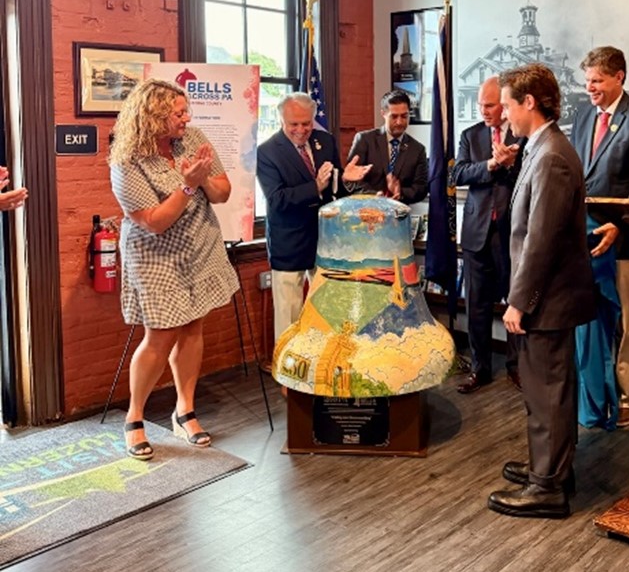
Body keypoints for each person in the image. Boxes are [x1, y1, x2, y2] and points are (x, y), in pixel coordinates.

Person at [109, 78, 239, 460]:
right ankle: (134, 417)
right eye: (178, 113)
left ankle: (184, 410)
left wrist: (203, 181)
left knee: (193, 325)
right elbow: (153, 222)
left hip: (199, 247)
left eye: (186, 111)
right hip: (154, 255)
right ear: (153, 117)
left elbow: (223, 192)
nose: (187, 118)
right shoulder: (126, 161)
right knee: (161, 334)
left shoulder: (193, 137)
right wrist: (186, 187)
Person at [488, 63, 595, 519]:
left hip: (547, 300)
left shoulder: (550, 154)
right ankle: (551, 468)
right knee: (547, 391)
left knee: (547, 392)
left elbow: (541, 239)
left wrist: (518, 301)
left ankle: (547, 487)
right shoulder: (541, 146)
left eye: (508, 105)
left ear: (529, 103)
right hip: (550, 297)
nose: (504, 115)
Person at [570, 46, 629, 428]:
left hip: (621, 238)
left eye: (597, 80)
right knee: (588, 321)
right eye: (587, 80)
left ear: (619, 77)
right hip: (583, 235)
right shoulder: (582, 116)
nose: (589, 87)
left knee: (627, 323)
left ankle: (627, 396)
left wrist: (621, 222)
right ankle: (593, 392)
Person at [256, 93, 371, 344]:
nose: (301, 130)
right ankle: (289, 377)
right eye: (293, 124)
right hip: (289, 243)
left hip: (325, 241)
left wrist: (346, 179)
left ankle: (322, 366)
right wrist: (315, 186)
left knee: (327, 310)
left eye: (306, 123)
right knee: (289, 316)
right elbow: (277, 200)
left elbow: (336, 190)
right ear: (281, 121)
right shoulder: (267, 152)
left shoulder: (325, 141)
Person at [453, 76, 523, 394]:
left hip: (511, 233)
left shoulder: (522, 135)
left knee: (516, 301)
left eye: (491, 105)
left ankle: (517, 367)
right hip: (477, 233)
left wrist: (510, 164)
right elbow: (460, 173)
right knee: (477, 305)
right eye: (481, 104)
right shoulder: (471, 135)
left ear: (505, 105)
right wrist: (492, 164)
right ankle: (480, 368)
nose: (484, 110)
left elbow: (528, 178)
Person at [346, 90, 427, 204]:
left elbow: (421, 189)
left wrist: (400, 193)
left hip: (399, 216)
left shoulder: (418, 150)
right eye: (394, 117)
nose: (399, 122)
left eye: (404, 116)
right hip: (366, 212)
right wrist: (376, 196)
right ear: (383, 114)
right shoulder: (365, 140)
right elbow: (351, 180)